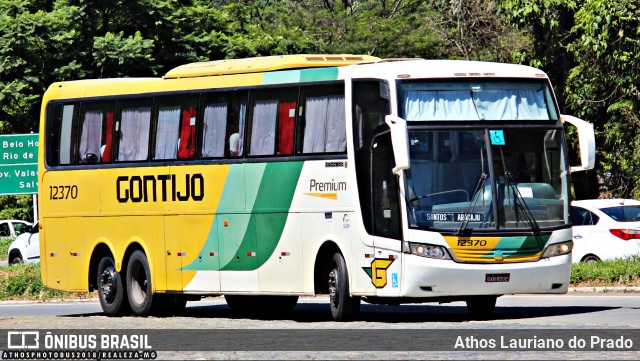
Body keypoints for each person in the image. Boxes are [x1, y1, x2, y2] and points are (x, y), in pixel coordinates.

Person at [485, 159, 506, 227]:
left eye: (498, 168)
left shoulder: (506, 180)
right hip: (491, 212)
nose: (496, 171)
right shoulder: (488, 181)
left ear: (501, 169)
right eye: (494, 169)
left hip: (505, 211)